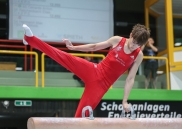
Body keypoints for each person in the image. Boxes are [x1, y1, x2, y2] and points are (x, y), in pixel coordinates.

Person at [22, 24, 150, 117]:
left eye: (138, 45)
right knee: (63, 56)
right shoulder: (117, 40)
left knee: (80, 117)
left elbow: (130, 78)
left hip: (101, 87)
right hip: (93, 70)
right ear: (131, 35)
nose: (134, 46)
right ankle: (30, 39)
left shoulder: (138, 55)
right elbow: (94, 46)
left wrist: (125, 101)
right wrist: (73, 48)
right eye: (133, 42)